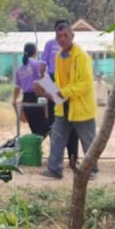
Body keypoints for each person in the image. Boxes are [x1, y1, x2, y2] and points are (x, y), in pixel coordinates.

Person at [36, 20, 97, 180]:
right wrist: (50, 90)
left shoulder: (82, 56)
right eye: (59, 36)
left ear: (72, 36)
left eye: (65, 35)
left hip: (80, 106)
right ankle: (54, 169)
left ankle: (92, 170)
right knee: (57, 136)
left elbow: (85, 83)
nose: (62, 39)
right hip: (63, 105)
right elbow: (58, 80)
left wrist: (63, 92)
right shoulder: (58, 56)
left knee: (88, 139)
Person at [42, 35, 78, 168]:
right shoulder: (49, 44)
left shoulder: (74, 48)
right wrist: (47, 85)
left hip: (69, 83)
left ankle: (73, 157)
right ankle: (57, 159)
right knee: (55, 123)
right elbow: (43, 65)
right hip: (53, 80)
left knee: (72, 123)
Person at [13, 42, 49, 138]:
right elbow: (45, 79)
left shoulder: (19, 70)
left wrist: (14, 100)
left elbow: (17, 88)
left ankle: (35, 149)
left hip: (27, 102)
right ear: (35, 52)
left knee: (36, 133)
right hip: (38, 99)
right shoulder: (38, 64)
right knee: (47, 129)